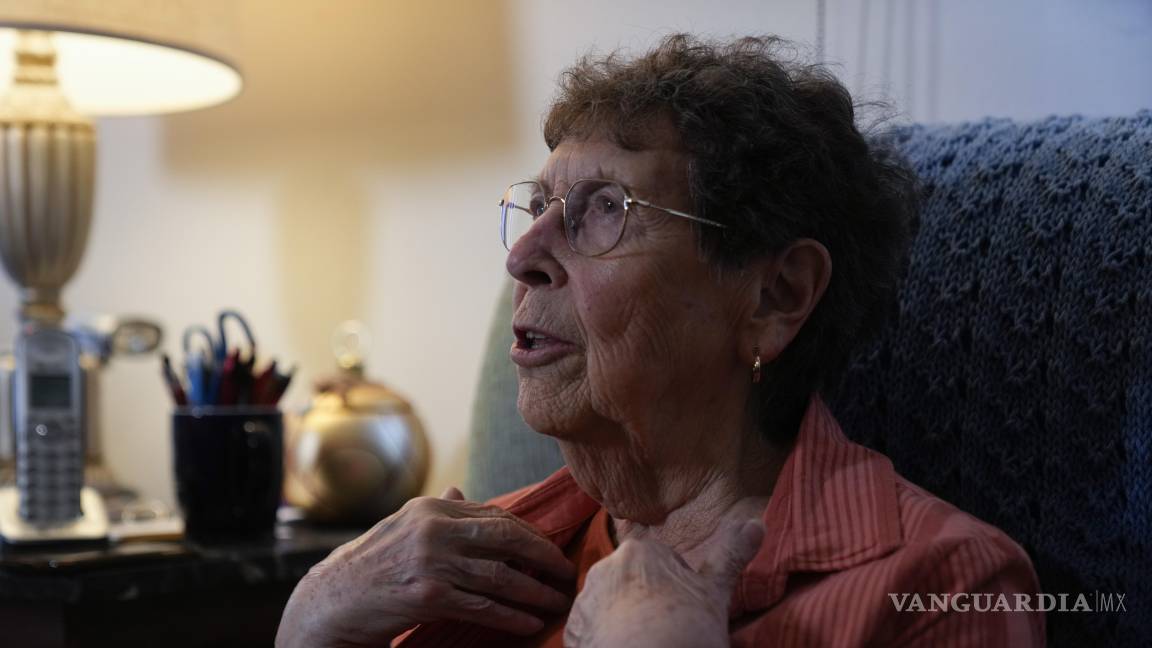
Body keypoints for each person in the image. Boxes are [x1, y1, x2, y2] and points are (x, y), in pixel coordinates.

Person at [276, 34, 1045, 647]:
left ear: (776, 296)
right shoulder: (453, 562)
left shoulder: (945, 588)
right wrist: (311, 621)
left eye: (604, 207)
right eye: (538, 205)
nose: (522, 257)